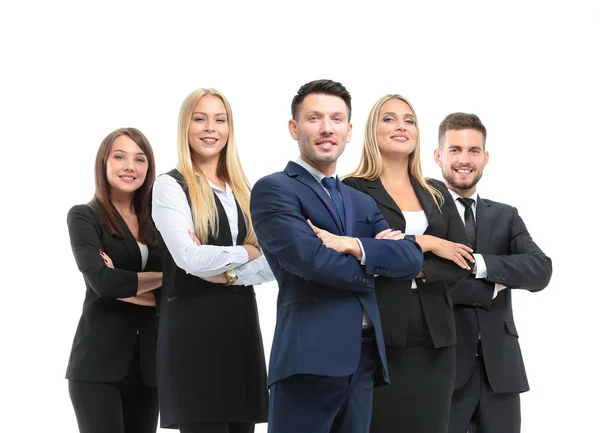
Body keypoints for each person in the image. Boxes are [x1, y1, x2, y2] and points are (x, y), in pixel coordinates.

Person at [250, 79, 424, 433]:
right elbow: (310, 261)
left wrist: (353, 245)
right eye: (314, 118)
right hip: (307, 361)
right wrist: (377, 263)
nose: (326, 128)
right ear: (294, 127)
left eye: (336, 119)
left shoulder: (360, 200)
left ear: (348, 130)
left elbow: (410, 258)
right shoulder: (275, 189)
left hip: (363, 364)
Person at [342, 94, 474, 433]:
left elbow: (461, 259)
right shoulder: (352, 190)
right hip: (379, 335)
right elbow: (359, 253)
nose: (401, 125)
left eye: (409, 120)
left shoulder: (436, 192)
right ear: (372, 130)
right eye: (389, 118)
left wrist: (406, 263)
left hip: (437, 338)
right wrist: (428, 245)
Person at [151, 88, 273, 433]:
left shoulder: (244, 190)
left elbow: (273, 262)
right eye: (200, 118)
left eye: (220, 120)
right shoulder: (170, 187)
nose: (210, 128)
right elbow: (191, 259)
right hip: (194, 332)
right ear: (185, 126)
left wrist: (228, 273)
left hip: (240, 327)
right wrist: (249, 251)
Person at [434, 112, 553, 433]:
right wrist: (493, 285)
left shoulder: (506, 216)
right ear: (438, 156)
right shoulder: (425, 215)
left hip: (501, 371)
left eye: (473, 151)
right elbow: (432, 281)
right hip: (444, 369)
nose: (464, 159)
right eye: (455, 150)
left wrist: (479, 264)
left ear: (485, 158)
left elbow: (540, 269)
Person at [66, 127, 163, 433]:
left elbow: (179, 290)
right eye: (119, 157)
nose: (129, 167)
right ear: (104, 163)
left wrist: (125, 283)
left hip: (150, 367)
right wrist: (165, 279)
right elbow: (103, 283)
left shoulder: (160, 220)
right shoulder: (84, 216)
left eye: (139, 159)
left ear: (148, 168)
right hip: (97, 366)